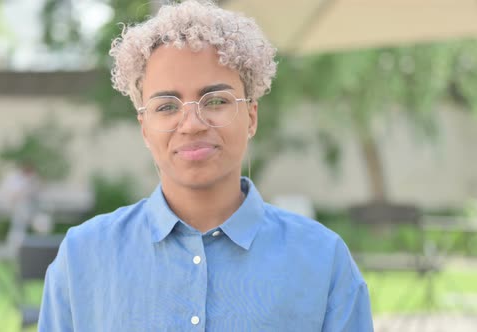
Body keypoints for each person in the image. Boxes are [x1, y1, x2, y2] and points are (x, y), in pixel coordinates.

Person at [39, 1, 373, 331]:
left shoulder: (322, 260)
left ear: (252, 117)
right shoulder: (83, 257)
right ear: (144, 127)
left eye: (215, 101)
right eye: (167, 106)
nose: (192, 124)